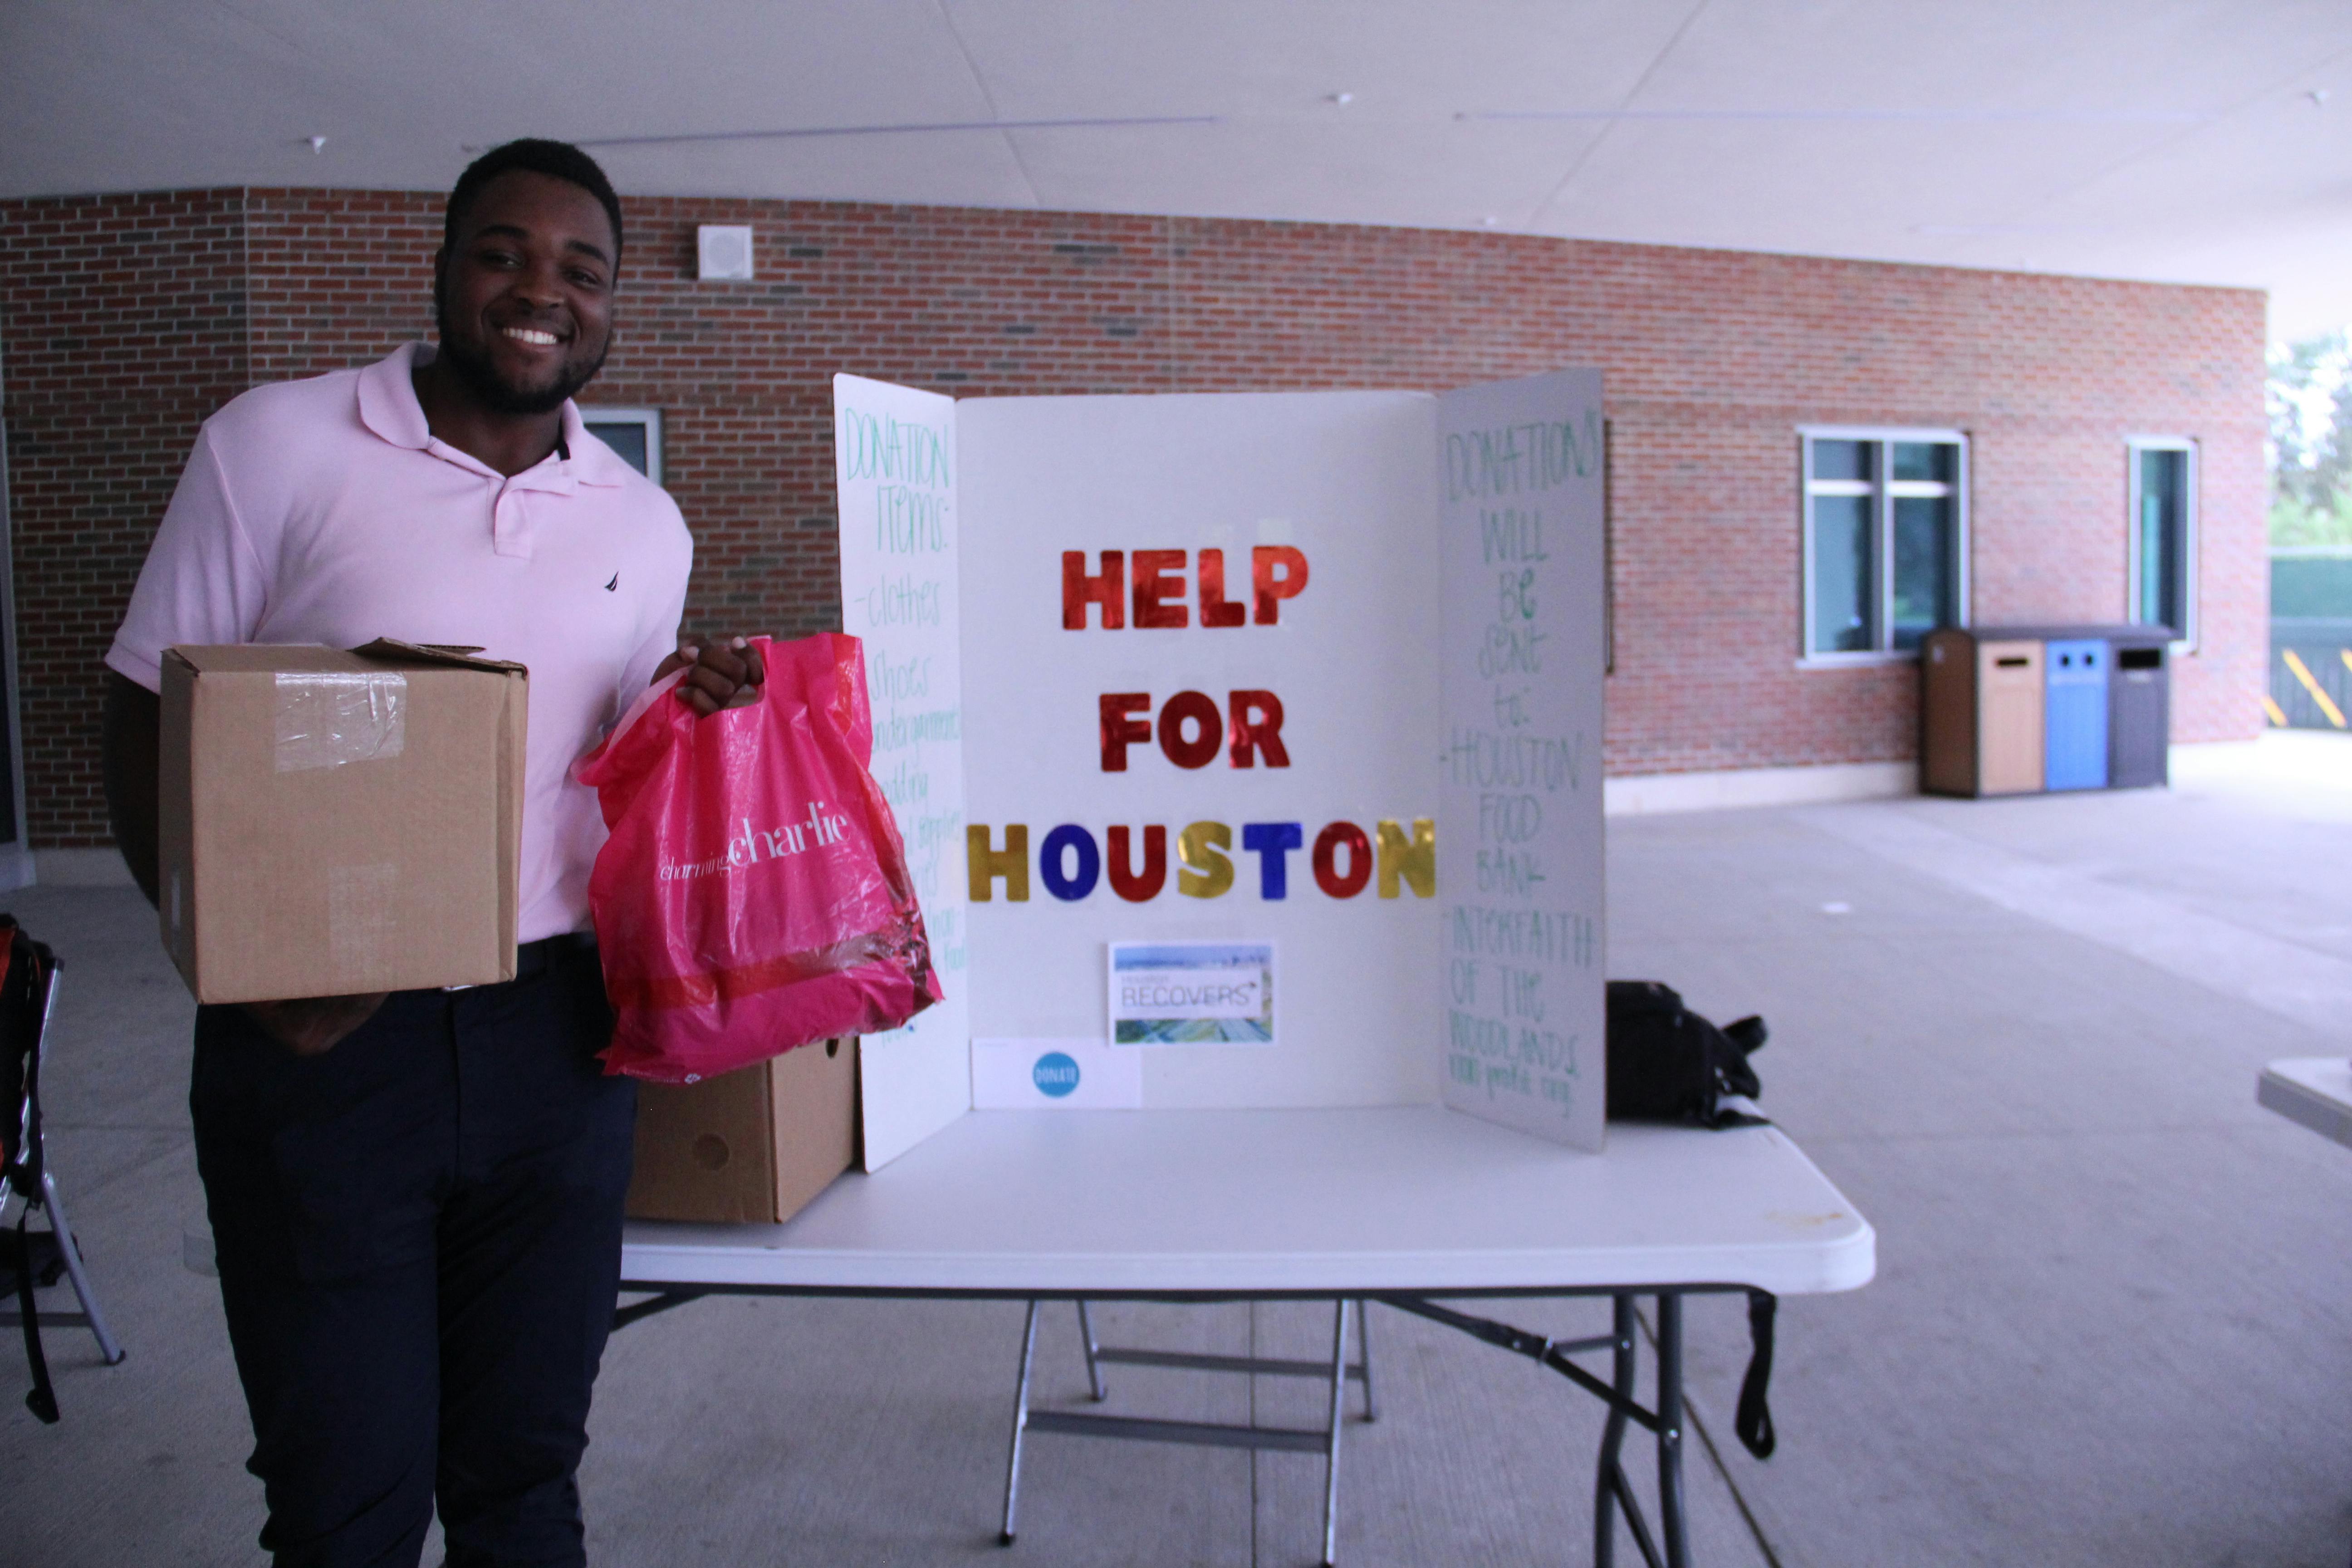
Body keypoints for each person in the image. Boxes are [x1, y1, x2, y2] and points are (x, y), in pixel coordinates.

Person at [99, 138, 759, 1568]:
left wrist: (705, 711)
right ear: (447, 268)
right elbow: (144, 710)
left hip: (556, 1036)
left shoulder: (646, 526)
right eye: (504, 252)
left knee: (527, 1476)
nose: (541, 291)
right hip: (325, 1038)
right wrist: (229, 967)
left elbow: (617, 753)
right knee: (347, 1499)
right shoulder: (274, 444)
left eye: (581, 269)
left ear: (613, 304)